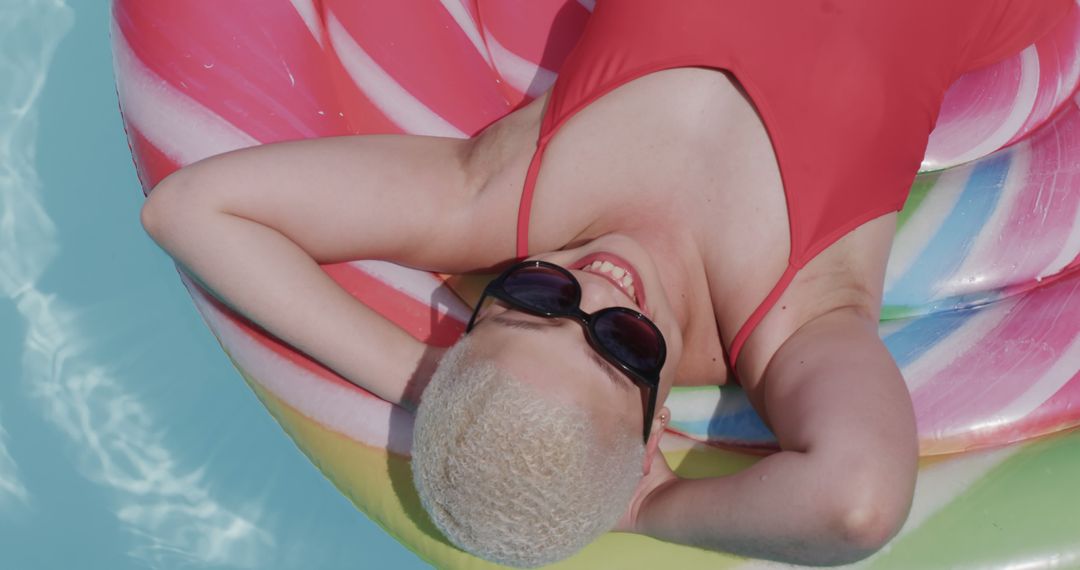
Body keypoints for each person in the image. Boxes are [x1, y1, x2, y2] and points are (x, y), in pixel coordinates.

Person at [138, 0, 1074, 566]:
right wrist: (655, 510)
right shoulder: (797, 320)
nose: (601, 290)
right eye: (625, 350)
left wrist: (425, 384)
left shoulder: (496, 196)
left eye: (538, 301)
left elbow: (187, 212)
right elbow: (856, 502)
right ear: (658, 421)